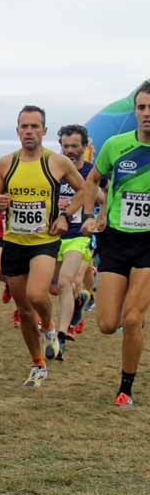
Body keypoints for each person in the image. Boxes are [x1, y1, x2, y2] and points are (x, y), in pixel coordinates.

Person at [0, 105, 86, 388]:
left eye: (34, 126)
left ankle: (50, 328)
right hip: (14, 242)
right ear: (17, 130)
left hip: (44, 241)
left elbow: (84, 189)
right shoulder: (6, 163)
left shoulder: (56, 162)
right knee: (23, 308)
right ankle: (37, 364)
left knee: (36, 295)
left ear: (44, 130)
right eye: (24, 126)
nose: (29, 131)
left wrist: (66, 216)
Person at [81, 80, 150, 407]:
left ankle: (126, 388)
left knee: (133, 318)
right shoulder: (115, 145)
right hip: (117, 240)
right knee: (109, 323)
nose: (147, 114)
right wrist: (93, 214)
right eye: (142, 108)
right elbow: (93, 179)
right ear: (135, 111)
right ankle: (134, 313)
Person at [48, 124, 103, 355]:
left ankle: (60, 336)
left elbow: (103, 196)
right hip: (53, 236)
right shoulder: (54, 169)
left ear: (84, 147)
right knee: (54, 287)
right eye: (65, 146)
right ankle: (79, 300)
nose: (70, 150)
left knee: (66, 281)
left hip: (79, 236)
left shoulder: (91, 171)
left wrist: (86, 197)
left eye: (75, 146)